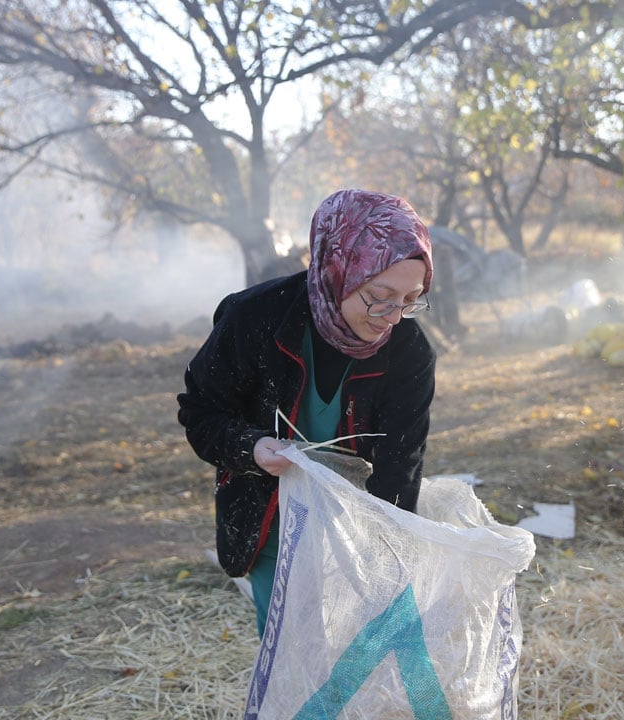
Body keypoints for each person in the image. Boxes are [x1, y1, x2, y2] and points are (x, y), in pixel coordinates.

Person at [177, 188, 436, 637]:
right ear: (339, 270)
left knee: (354, 651)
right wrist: (252, 448)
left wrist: (386, 556)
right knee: (290, 652)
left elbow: (400, 464)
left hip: (358, 524)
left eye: (411, 298)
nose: (393, 316)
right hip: (272, 519)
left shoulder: (408, 351)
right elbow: (202, 413)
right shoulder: (254, 319)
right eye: (380, 295)